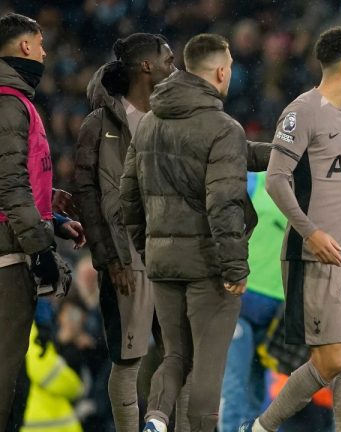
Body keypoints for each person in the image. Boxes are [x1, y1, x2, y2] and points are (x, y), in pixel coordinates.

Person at [120, 33, 264, 432]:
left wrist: (148, 249)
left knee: (174, 357)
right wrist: (235, 267)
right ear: (221, 71)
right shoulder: (222, 127)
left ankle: (155, 418)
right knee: (208, 366)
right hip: (209, 265)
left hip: (163, 262)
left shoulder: (150, 122)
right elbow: (223, 204)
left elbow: (127, 195)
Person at [238, 26, 341, 432]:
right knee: (330, 360)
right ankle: (261, 428)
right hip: (312, 253)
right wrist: (311, 233)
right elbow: (278, 180)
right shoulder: (302, 111)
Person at [74, 33, 177, 432]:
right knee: (128, 360)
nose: (175, 66)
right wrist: (109, 258)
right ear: (145, 67)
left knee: (177, 354)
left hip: (170, 257)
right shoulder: (99, 124)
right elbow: (89, 194)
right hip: (126, 261)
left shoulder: (170, 119)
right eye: (168, 59)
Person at [0, 12, 85, 427]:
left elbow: (16, 181)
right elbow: (9, 185)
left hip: (13, 244)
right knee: (4, 385)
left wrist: (49, 214)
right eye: (41, 42)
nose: (46, 52)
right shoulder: (9, 104)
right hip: (7, 257)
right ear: (26, 47)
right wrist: (41, 250)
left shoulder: (16, 103)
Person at [219, 170, 285, 431]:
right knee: (234, 387)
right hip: (240, 305)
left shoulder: (305, 189)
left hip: (278, 313)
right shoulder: (253, 180)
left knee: (262, 394)